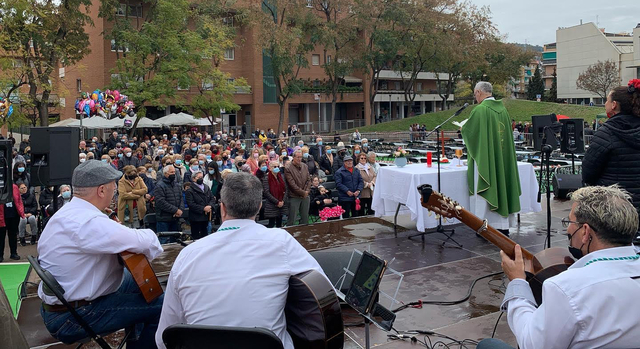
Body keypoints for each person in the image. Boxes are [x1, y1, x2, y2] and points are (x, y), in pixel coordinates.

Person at [155, 172, 326, 349]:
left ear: (222, 208)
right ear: (259, 207)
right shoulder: (281, 242)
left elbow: (164, 338)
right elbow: (322, 292)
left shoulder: (187, 255)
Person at [477, 185, 640, 349]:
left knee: (487, 345)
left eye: (570, 222)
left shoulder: (567, 288)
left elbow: (531, 344)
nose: (568, 229)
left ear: (585, 232)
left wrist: (517, 281)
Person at [37, 160, 163, 348]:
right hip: (72, 318)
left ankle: (135, 333)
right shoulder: (88, 222)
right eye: (113, 186)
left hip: (61, 307)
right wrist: (118, 230)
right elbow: (148, 241)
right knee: (163, 305)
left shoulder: (68, 213)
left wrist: (113, 229)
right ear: (101, 190)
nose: (115, 191)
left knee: (141, 282)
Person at [462, 81, 521, 235]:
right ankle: (502, 226)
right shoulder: (503, 110)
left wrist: (463, 129)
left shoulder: (480, 110)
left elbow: (471, 133)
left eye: (475, 94)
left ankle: (485, 228)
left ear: (478, 92)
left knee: (484, 189)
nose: (475, 97)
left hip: (486, 161)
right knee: (501, 185)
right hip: (502, 160)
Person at [582, 82, 640, 228]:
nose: (605, 104)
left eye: (606, 100)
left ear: (614, 104)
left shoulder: (606, 133)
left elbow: (588, 173)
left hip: (614, 208)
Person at [184, 171, 216, 240]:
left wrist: (210, 206)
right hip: (196, 218)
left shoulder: (206, 187)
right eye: (199, 177)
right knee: (196, 237)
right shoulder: (190, 190)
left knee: (206, 236)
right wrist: (203, 208)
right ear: (193, 179)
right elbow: (191, 204)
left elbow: (212, 198)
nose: (201, 179)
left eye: (202, 177)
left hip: (206, 216)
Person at [153, 165, 183, 233]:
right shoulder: (159, 186)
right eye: (171, 172)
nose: (173, 174)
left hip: (175, 218)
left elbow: (181, 198)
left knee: (176, 239)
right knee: (164, 240)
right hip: (164, 218)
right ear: (165, 173)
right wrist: (175, 210)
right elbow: (161, 202)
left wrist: (180, 210)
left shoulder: (176, 185)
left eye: (174, 172)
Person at [284, 150, 311, 226]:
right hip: (294, 196)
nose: (299, 159)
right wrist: (302, 192)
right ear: (293, 157)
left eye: (301, 157)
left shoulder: (305, 166)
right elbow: (292, 184)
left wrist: (306, 191)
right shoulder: (288, 168)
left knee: (305, 218)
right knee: (292, 219)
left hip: (305, 196)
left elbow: (309, 180)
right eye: (298, 157)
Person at [0, 184, 24, 261]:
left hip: (13, 215)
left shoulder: (14, 187)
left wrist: (21, 211)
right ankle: (0, 255)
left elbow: (19, 200)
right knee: (1, 237)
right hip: (2, 216)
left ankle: (13, 253)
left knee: (13, 235)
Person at [262, 161, 287, 228]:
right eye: (274, 167)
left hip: (281, 203)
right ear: (270, 168)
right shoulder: (266, 178)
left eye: (278, 166)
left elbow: (286, 189)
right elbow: (266, 192)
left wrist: (282, 201)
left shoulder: (281, 177)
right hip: (272, 204)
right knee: (271, 223)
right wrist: (277, 202)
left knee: (280, 223)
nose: (277, 168)